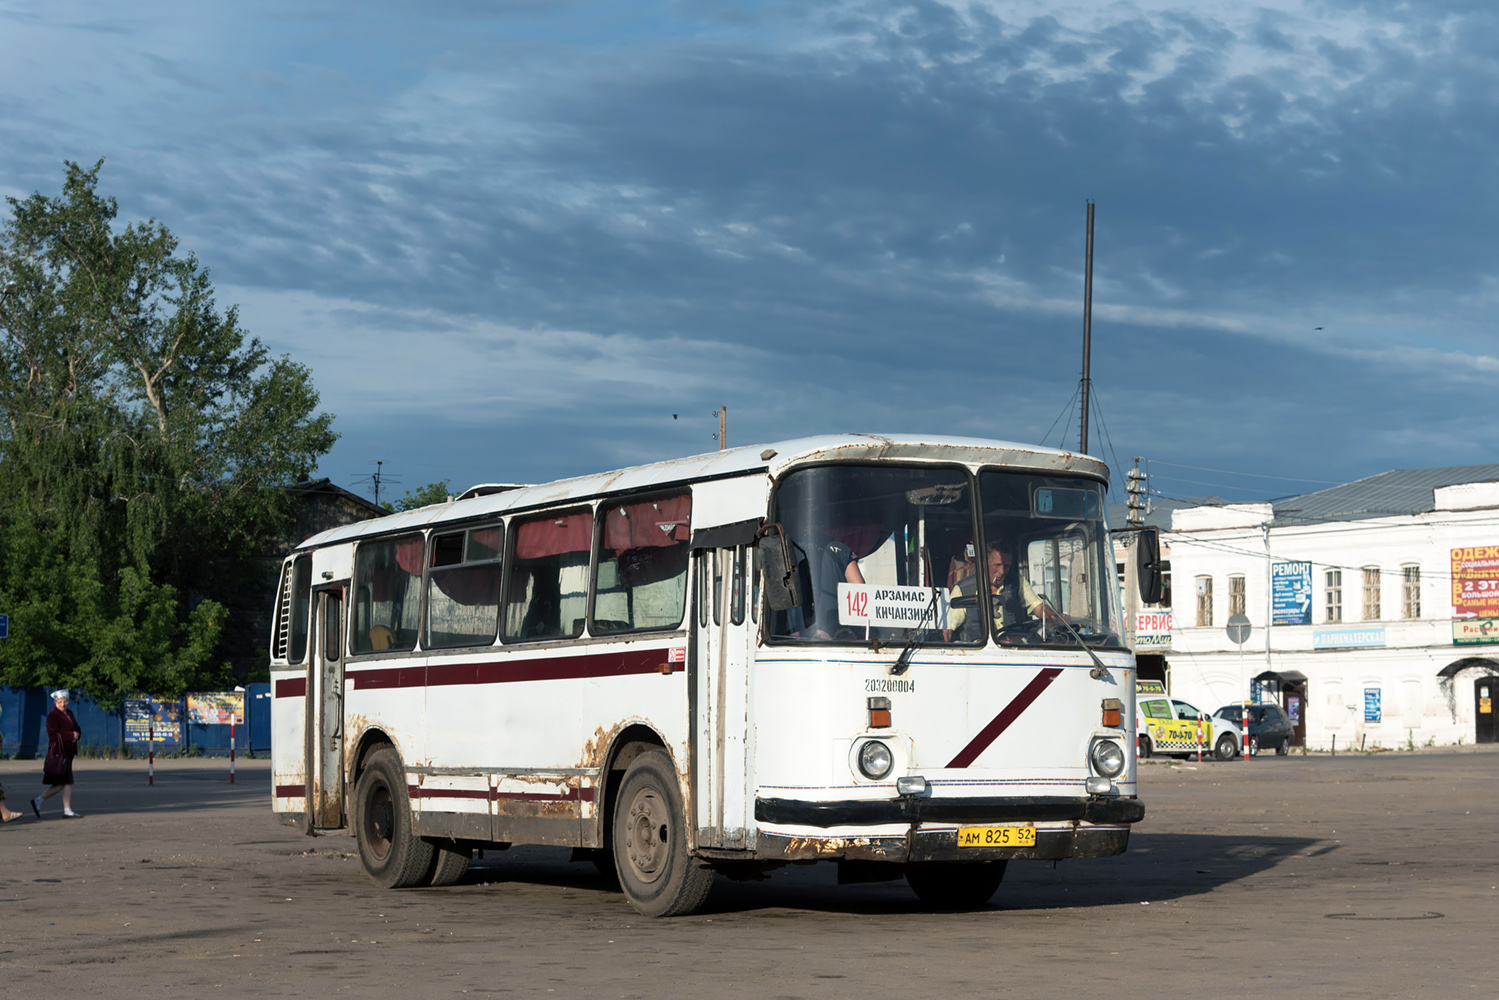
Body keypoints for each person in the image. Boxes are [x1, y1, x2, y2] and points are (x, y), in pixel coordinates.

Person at [947, 540, 1060, 642]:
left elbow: (1038, 606)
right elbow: (947, 628)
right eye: (997, 565)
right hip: (978, 655)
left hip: (1012, 651)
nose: (1002, 571)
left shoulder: (1017, 581)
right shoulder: (963, 589)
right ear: (984, 564)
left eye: (1006, 566)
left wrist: (1053, 616)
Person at [32, 690, 82, 818]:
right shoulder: (52, 716)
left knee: (65, 782)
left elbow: (77, 727)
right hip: (59, 753)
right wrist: (71, 735)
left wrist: (77, 735)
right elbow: (53, 735)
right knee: (65, 782)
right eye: (60, 702)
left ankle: (63, 808)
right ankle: (61, 808)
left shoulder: (69, 713)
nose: (63, 704)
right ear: (55, 702)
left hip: (69, 752)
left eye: (65, 702)